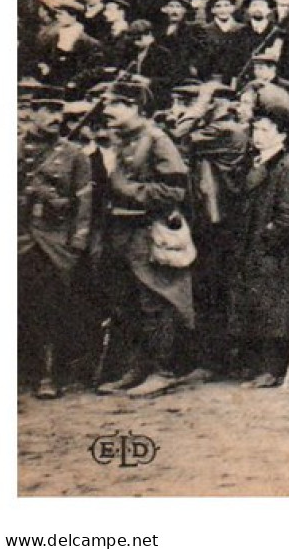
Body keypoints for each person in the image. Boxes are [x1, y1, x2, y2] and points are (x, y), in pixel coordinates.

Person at [92, 80, 194, 400]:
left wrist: (126, 188)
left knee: (154, 302)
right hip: (119, 230)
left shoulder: (157, 140)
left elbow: (175, 189)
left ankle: (162, 370)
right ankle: (137, 368)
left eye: (117, 104)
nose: (108, 110)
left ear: (136, 108)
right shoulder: (118, 140)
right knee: (127, 303)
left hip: (145, 230)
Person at [18, 94, 94, 399]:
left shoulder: (74, 154)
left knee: (49, 308)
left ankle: (48, 375)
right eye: (46, 110)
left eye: (57, 111)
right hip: (18, 236)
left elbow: (84, 201)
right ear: (31, 112)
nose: (53, 117)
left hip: (53, 240)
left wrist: (77, 242)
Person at [226, 100, 289, 387]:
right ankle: (253, 365)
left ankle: (271, 369)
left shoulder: (287, 167)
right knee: (251, 304)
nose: (258, 135)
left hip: (271, 251)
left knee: (272, 308)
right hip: (248, 247)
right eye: (255, 129)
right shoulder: (251, 163)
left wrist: (266, 240)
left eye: (266, 130)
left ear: (282, 135)